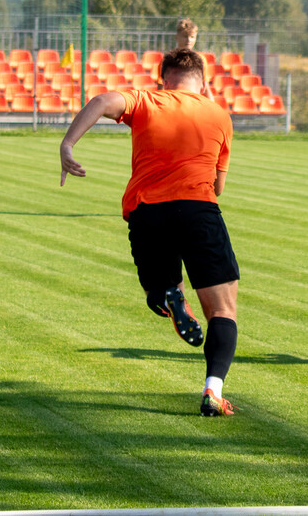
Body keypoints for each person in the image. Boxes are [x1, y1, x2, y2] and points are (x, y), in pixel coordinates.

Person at [60, 48, 240, 416]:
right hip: (197, 209)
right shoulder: (219, 115)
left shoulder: (146, 100)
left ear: (164, 79)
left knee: (156, 292)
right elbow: (219, 186)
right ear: (202, 83)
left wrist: (67, 144)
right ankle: (213, 390)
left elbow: (101, 100)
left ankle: (170, 293)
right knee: (223, 309)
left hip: (146, 213)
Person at [174, 19, 215, 100]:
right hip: (175, 103)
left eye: (192, 37)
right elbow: (161, 88)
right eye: (185, 36)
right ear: (177, 37)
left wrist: (212, 105)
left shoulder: (200, 59)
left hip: (193, 103)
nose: (189, 40)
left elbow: (205, 85)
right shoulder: (169, 60)